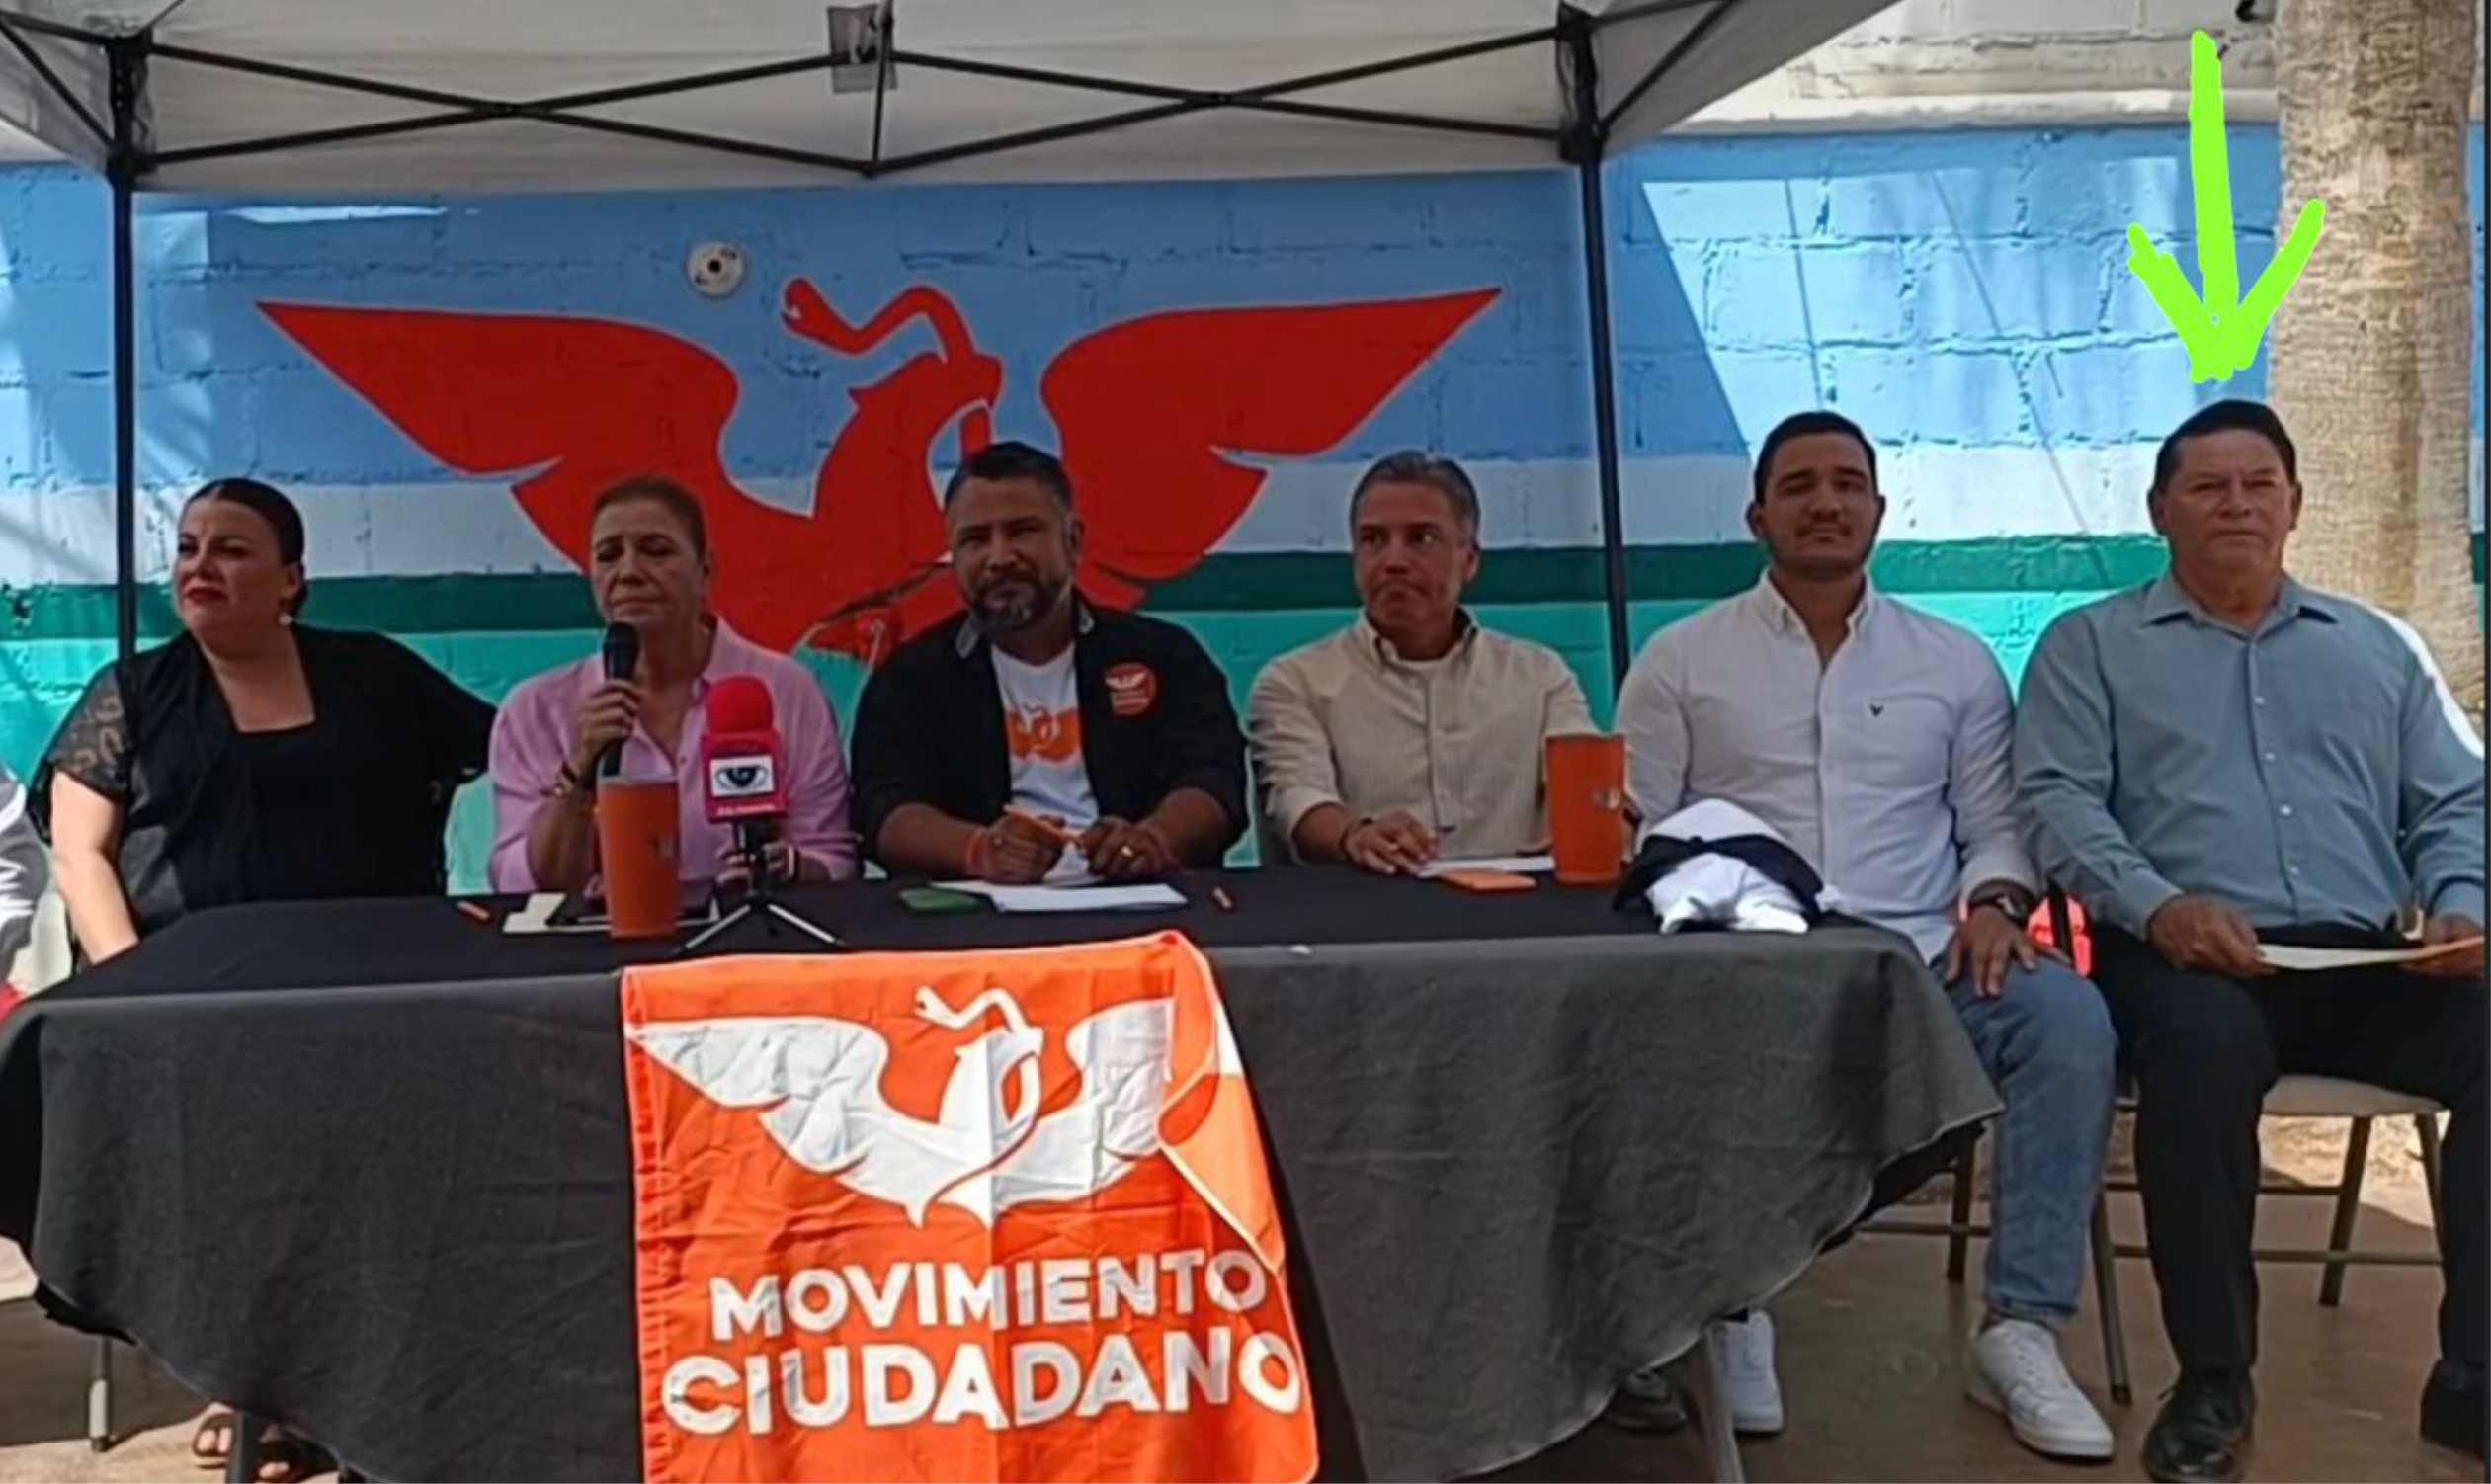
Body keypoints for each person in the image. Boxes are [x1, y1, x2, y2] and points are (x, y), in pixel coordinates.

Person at [1611, 411, 2117, 1459]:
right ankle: (1732, 1306)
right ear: (1757, 516)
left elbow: (1995, 823)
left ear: (1878, 511)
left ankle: (2019, 1329)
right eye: (1798, 485)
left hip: (1920, 963)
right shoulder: (1681, 658)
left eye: (1846, 483)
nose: (1825, 502)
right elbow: (1639, 831)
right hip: (1745, 964)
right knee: (1663, 1024)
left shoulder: (1953, 661)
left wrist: (1994, 903)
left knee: (2064, 1019)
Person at [2017, 399, 2485, 1482]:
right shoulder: (2091, 646)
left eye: (2257, 484)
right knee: (2201, 1054)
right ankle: (2213, 1381)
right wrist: (2160, 906)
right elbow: (2056, 804)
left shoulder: (2378, 647)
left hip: (2360, 956)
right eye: (2207, 487)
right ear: (2159, 511)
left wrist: (2460, 900)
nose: (2236, 505)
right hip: (2179, 954)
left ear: (2294, 503)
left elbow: (2453, 799)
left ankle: (2473, 1373)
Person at [31, 477, 493, 1481]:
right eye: (190, 546)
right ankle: (255, 1385)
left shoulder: (374, 673)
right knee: (245, 1157)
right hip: (198, 1004)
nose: (201, 565)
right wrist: (141, 988)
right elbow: (79, 850)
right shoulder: (131, 694)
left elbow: (511, 748)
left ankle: (387, 1383)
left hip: (373, 990)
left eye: (232, 549)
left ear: (291, 580)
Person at [851, 441, 1246, 883]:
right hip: (980, 908)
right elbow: (885, 812)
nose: (999, 557)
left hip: (1144, 898)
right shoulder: (911, 680)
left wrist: (1153, 840)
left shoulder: (1164, 656)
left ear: (1073, 541)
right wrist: (979, 851)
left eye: (1022, 531)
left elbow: (1215, 782)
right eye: (975, 539)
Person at [489, 475, 859, 893]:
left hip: (750, 927)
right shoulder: (535, 709)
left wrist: (788, 865)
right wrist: (580, 770)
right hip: (603, 933)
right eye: (608, 556)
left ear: (705, 572)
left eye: (656, 551)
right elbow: (517, 885)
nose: (629, 572)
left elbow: (835, 861)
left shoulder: (786, 689)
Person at [1246, 452, 1592, 871]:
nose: (1394, 561)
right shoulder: (1295, 682)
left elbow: (1589, 785)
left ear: (1470, 560)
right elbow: (1296, 800)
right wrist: (1356, 835)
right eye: (1373, 540)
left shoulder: (1539, 676)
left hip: (1520, 903)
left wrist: (1583, 830)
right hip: (1367, 902)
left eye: (1422, 539)